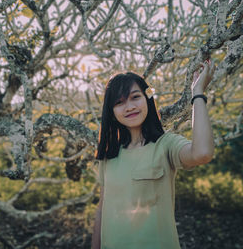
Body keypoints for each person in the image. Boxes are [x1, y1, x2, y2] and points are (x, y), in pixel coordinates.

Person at [91, 60, 216, 249]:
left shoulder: (166, 145)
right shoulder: (110, 154)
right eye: (119, 102)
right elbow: (102, 210)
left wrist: (197, 93)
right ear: (112, 111)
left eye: (135, 97)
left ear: (147, 98)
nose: (129, 106)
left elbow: (202, 153)